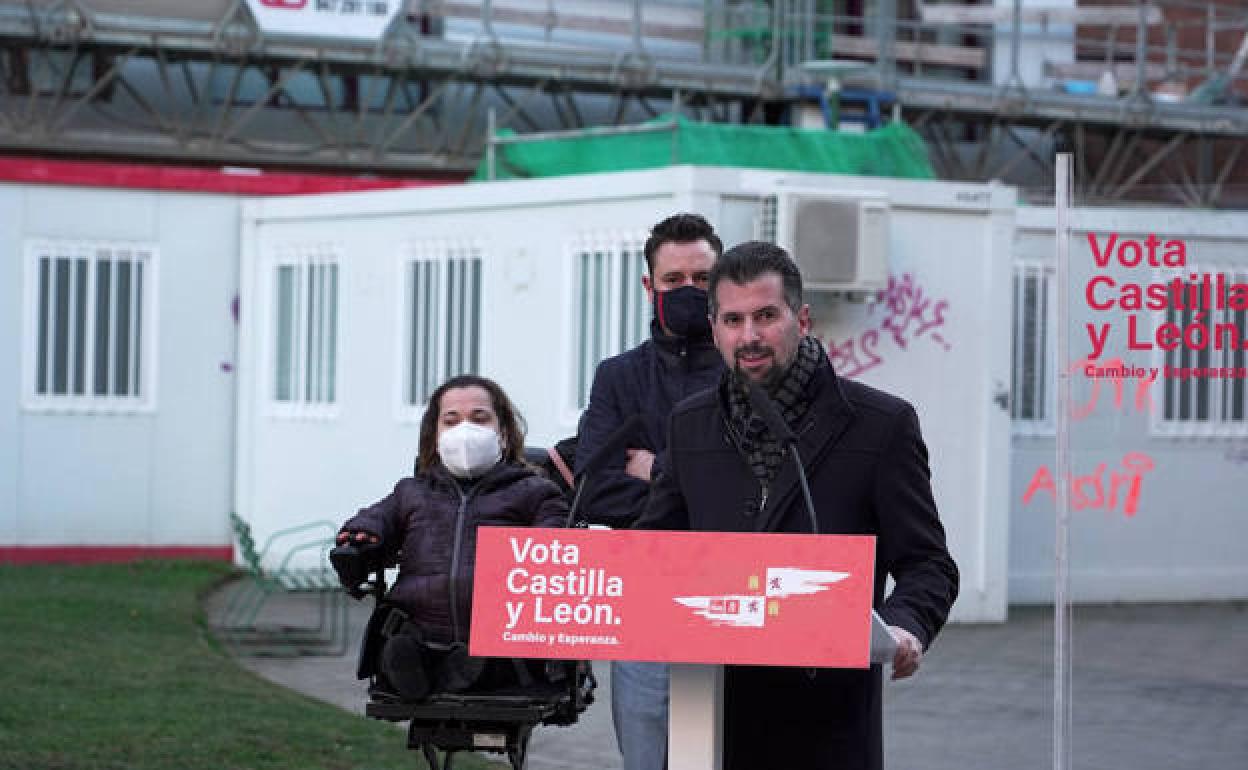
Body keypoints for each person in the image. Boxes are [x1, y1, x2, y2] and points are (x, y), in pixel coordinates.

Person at [635, 241, 959, 770]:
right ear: (714, 328)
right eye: (734, 320)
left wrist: (905, 626)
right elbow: (657, 550)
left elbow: (929, 564)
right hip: (710, 714)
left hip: (827, 721)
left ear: (801, 318)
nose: (750, 336)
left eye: (767, 315)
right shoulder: (688, 423)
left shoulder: (881, 425)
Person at [576, 213, 726, 770]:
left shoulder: (748, 377)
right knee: (648, 755)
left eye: (701, 278)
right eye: (672, 281)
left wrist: (656, 466)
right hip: (645, 598)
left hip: (730, 594)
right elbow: (594, 487)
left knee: (714, 751)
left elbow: (762, 490)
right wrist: (702, 490)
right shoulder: (618, 377)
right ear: (649, 286)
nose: (688, 291)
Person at [336, 374, 568, 701]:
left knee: (487, 658)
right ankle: (416, 670)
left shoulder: (536, 492)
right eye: (452, 420)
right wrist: (361, 535)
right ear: (435, 436)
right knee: (404, 647)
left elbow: (558, 543)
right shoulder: (411, 492)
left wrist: (543, 545)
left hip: (500, 633)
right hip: (419, 628)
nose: (465, 430)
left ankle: (466, 670)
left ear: (502, 433)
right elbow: (376, 517)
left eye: (479, 419)